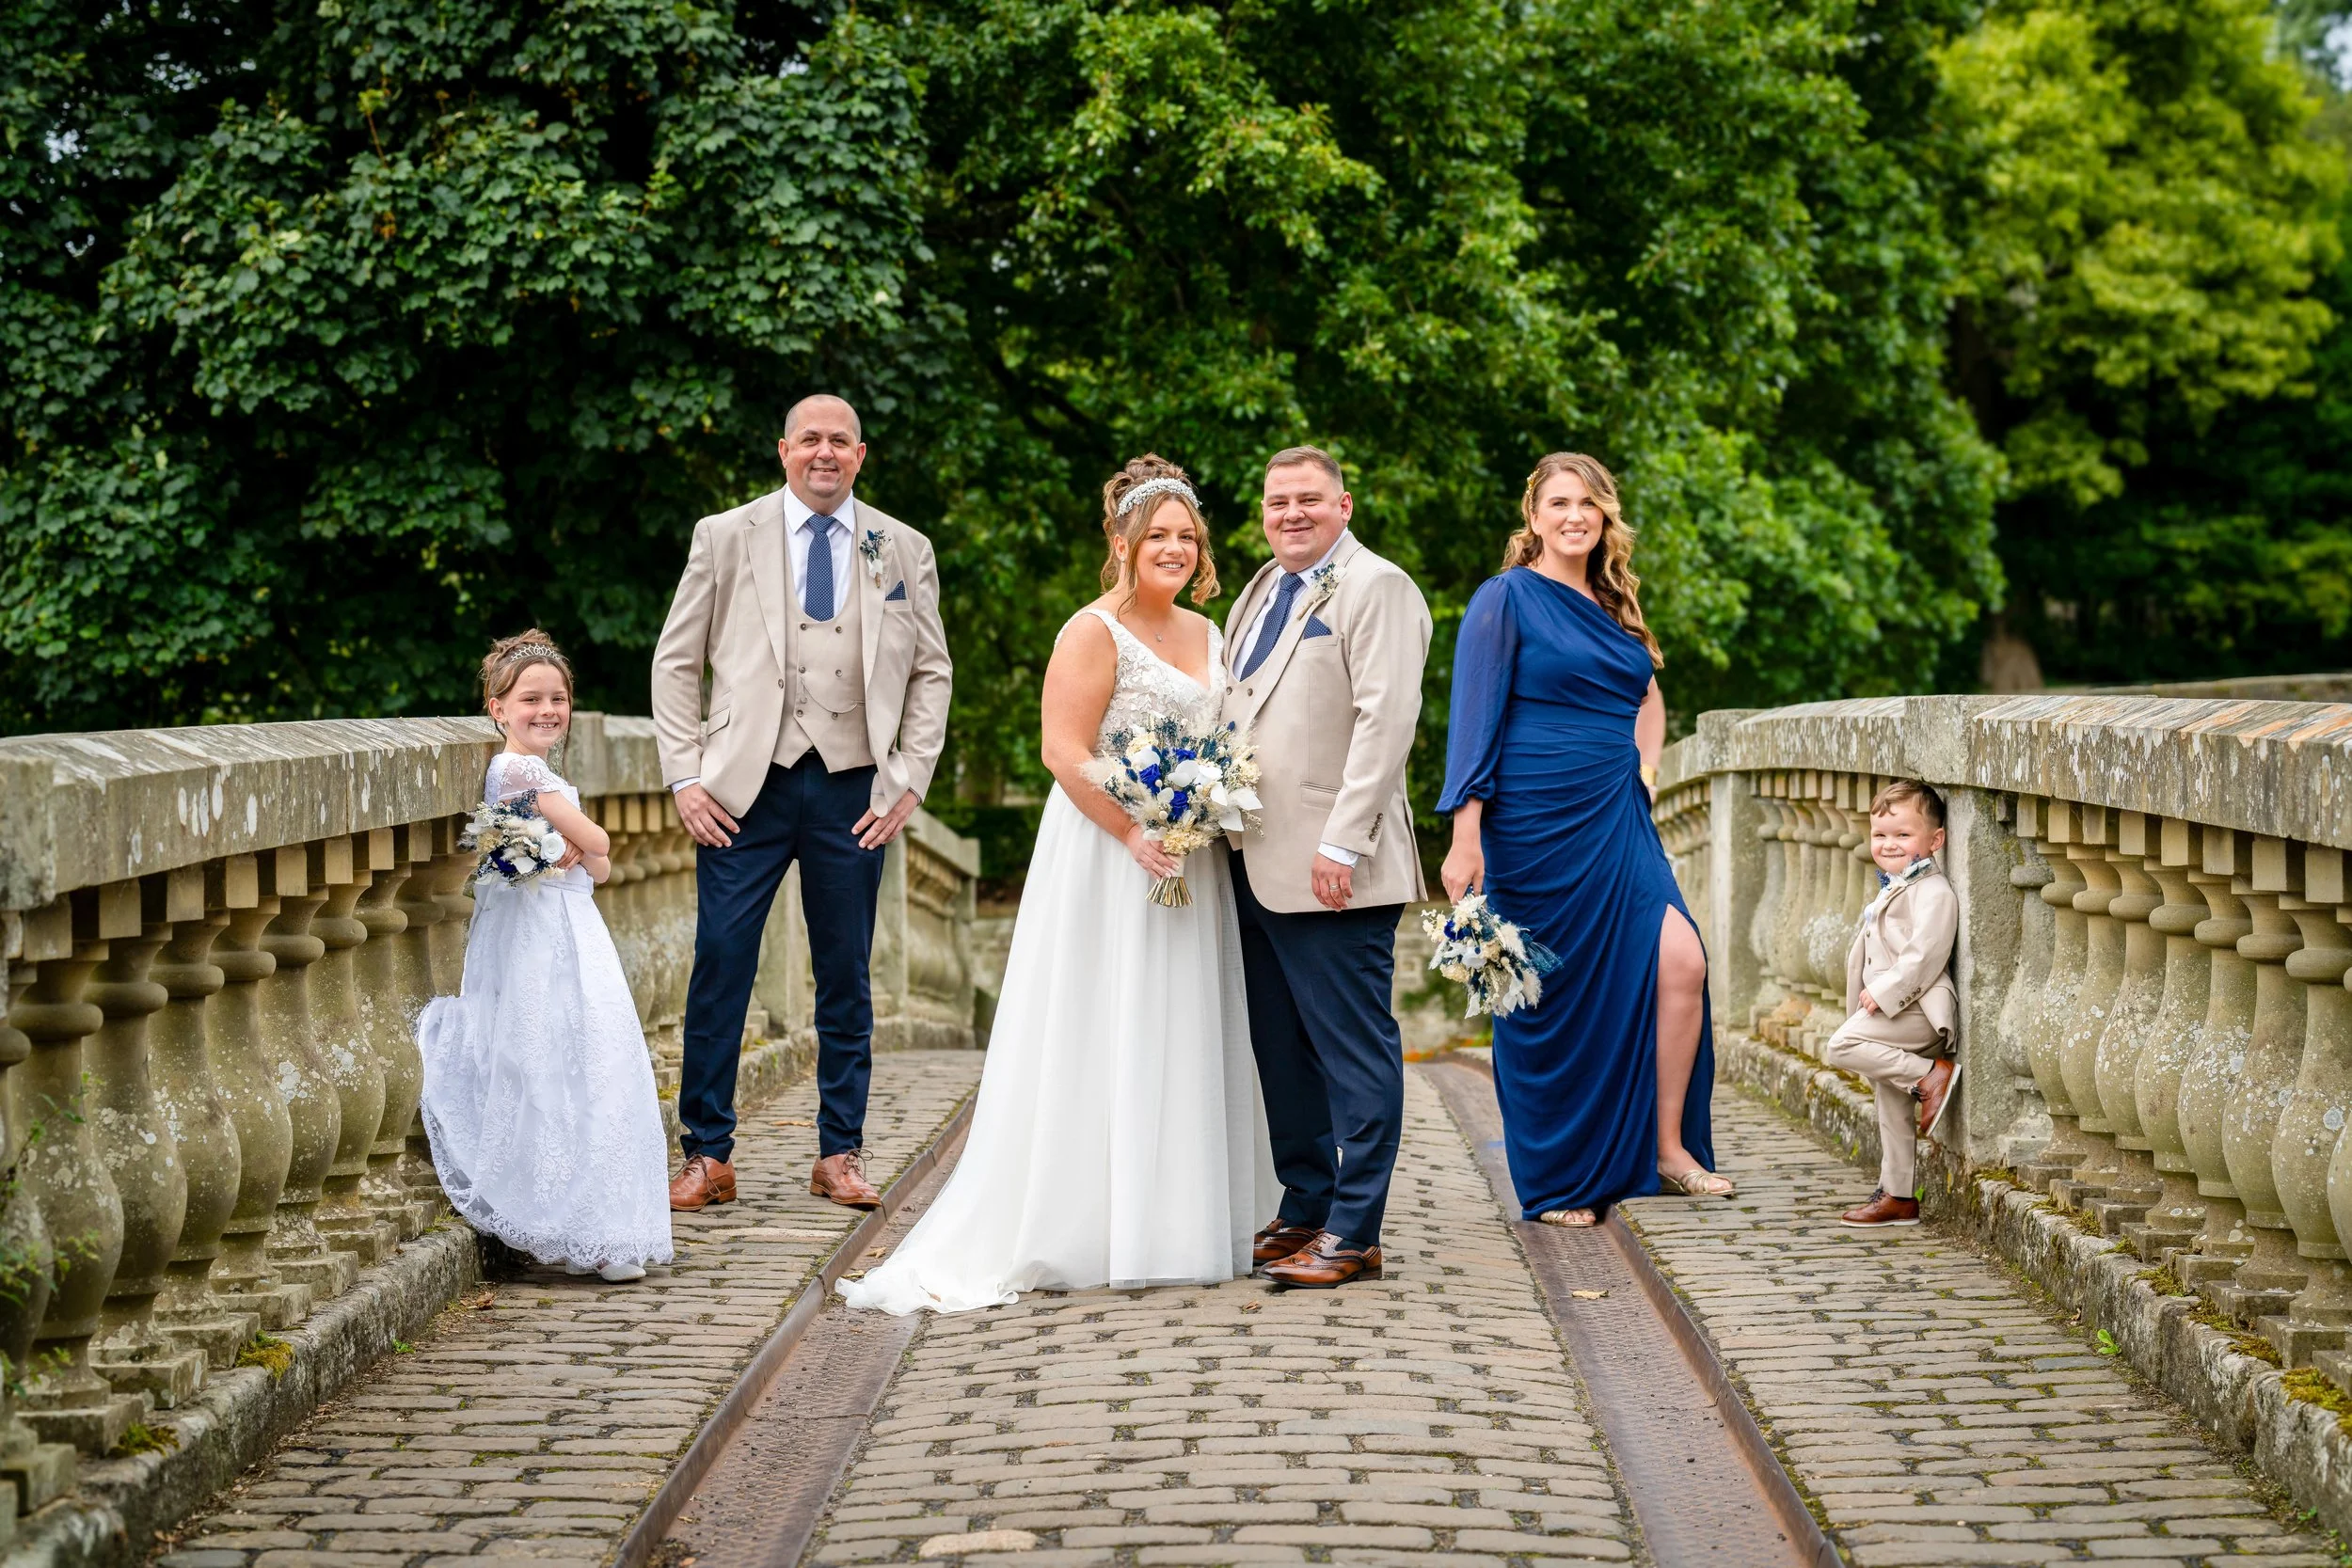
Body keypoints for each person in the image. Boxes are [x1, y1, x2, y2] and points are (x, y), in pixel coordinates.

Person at [836, 455, 1279, 1314]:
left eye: (1188, 537)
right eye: (1159, 535)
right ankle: (1090, 1222)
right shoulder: (1091, 630)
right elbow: (1063, 750)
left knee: (1185, 1023)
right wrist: (1134, 830)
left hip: (1191, 857)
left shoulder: (1210, 633)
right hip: (1108, 855)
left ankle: (1181, 1220)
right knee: (1103, 1022)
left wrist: (1202, 806)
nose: (1176, 549)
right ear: (1123, 542)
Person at [650, 394, 953, 1213]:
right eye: (810, 439)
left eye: (840, 441)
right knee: (721, 963)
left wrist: (910, 778)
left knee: (845, 975)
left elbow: (932, 670)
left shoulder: (903, 546)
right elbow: (676, 662)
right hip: (742, 789)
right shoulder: (725, 535)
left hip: (855, 787)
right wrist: (684, 776)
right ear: (783, 450)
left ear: (860, 454)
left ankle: (839, 1153)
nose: (825, 452)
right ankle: (707, 1154)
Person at [1436, 452, 1722, 1228]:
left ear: (1604, 517)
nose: (1574, 515)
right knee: (1550, 997)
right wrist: (1466, 836)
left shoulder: (1614, 601)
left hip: (1616, 812)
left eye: (1588, 503)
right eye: (1559, 502)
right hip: (1533, 820)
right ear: (1534, 516)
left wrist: (1647, 770)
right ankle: (1562, 1178)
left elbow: (1647, 695)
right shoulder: (1505, 598)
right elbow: (1474, 722)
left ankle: (1668, 1146)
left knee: (1681, 958)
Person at [1222, 446, 1432, 1291]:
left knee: (1353, 1051)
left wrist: (1342, 841)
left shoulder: (1379, 586)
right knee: (1283, 1051)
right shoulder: (1258, 589)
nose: (1292, 513)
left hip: (1333, 864)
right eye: (1278, 501)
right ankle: (1305, 1204)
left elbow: (1388, 719)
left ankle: (1356, 1230)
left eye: (1309, 498)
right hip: (1252, 860)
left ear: (1344, 505)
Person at [416, 630, 675, 1283]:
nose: (547, 710)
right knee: (555, 1058)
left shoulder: (539, 775)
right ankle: (579, 1225)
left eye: (558, 698)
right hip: (540, 931)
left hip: (563, 924)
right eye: (531, 698)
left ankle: (594, 1227)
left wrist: (581, 851)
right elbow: (600, 842)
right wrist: (582, 847)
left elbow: (601, 865)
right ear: (498, 708)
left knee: (578, 1059)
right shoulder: (519, 771)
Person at [1823, 780, 1961, 1229]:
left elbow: (1925, 956)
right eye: (1880, 834)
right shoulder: (1896, 885)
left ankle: (1930, 1076)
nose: (1889, 844)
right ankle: (1899, 1195)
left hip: (1917, 1012)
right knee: (1890, 1101)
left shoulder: (1934, 891)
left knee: (1841, 1046)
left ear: (1935, 840)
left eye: (1903, 834)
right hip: (1892, 1012)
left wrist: (1883, 993)